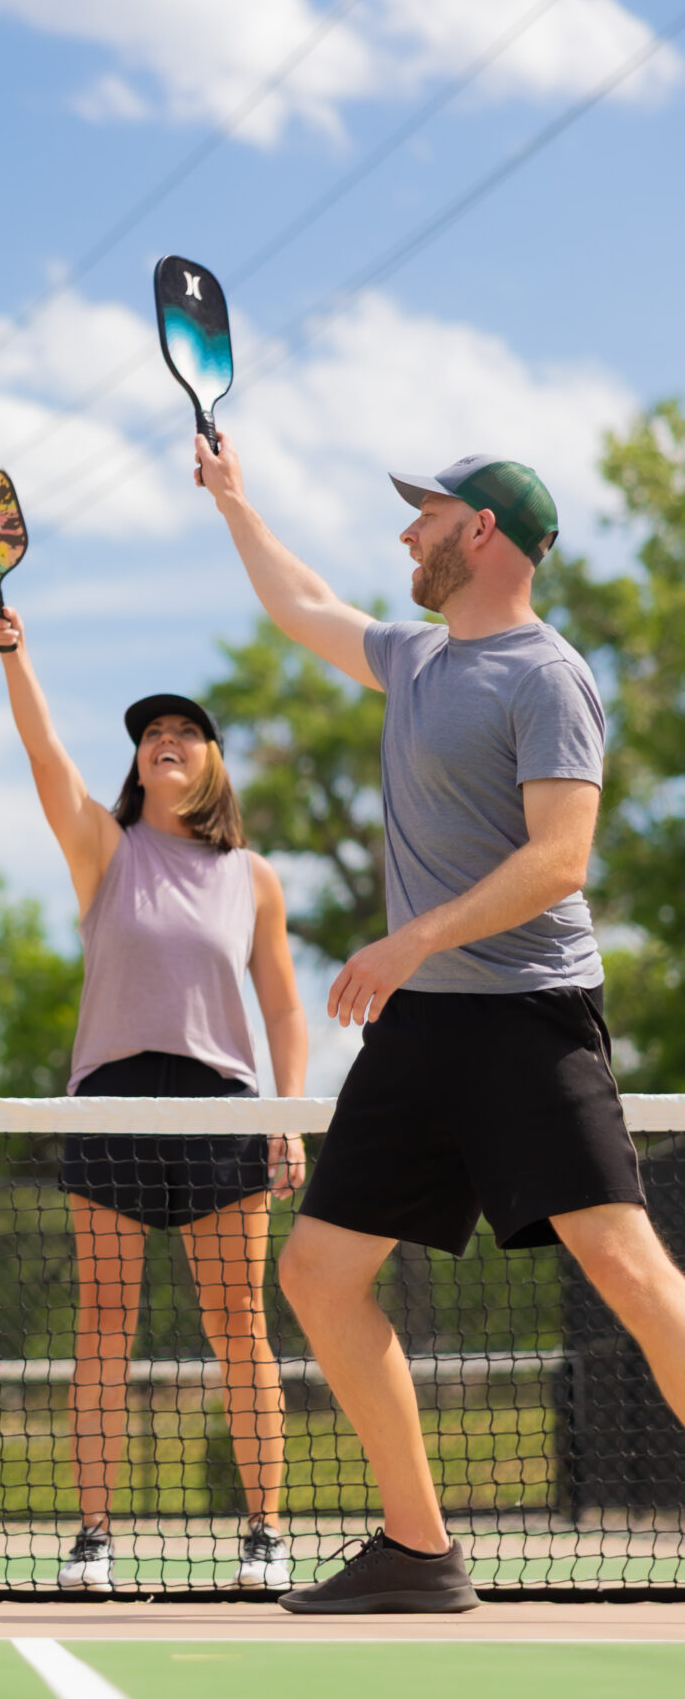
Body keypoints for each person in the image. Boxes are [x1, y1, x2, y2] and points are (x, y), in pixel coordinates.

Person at [198, 434, 685, 1613]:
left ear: (483, 533)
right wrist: (233, 501)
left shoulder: (546, 675)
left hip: (528, 1020)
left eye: (428, 513)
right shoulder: (415, 659)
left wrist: (413, 937)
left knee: (625, 1265)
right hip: (420, 1032)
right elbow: (302, 603)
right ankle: (419, 1551)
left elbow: (562, 859)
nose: (406, 530)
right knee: (317, 1274)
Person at [0, 598, 309, 1593]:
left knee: (237, 1323)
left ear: (211, 762)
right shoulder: (107, 851)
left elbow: (287, 1014)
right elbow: (46, 761)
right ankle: (93, 1537)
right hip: (111, 1102)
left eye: (184, 733)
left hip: (224, 1110)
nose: (164, 741)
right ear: (136, 767)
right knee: (102, 1325)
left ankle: (263, 1531)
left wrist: (289, 1119)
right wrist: (14, 652)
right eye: (150, 736)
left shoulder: (252, 876)